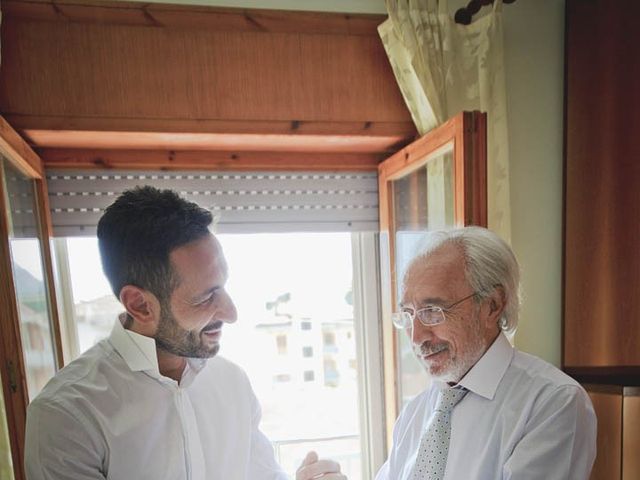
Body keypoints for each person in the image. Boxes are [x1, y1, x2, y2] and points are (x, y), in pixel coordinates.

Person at [25, 186, 346, 480]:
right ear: (140, 305)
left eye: (223, 286)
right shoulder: (66, 416)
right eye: (206, 296)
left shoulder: (232, 382)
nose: (231, 312)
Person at [375, 226, 596, 480]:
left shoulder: (553, 404)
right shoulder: (415, 413)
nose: (416, 336)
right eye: (408, 314)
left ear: (492, 305)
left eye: (433, 311)